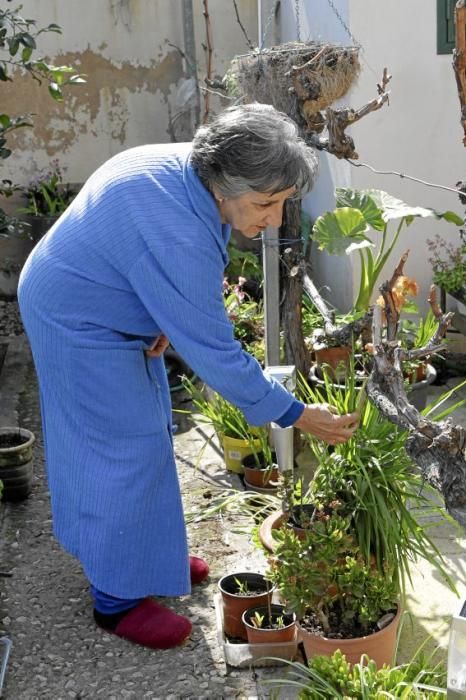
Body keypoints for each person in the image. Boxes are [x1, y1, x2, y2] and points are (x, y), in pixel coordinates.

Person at [18, 102, 358, 650]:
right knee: (118, 449)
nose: (273, 219)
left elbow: (138, 257)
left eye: (282, 204)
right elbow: (219, 354)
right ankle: (116, 599)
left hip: (106, 298)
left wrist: (158, 315)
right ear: (223, 185)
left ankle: (152, 556)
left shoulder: (192, 172)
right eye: (264, 204)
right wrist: (295, 414)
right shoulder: (177, 228)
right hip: (77, 319)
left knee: (150, 431)